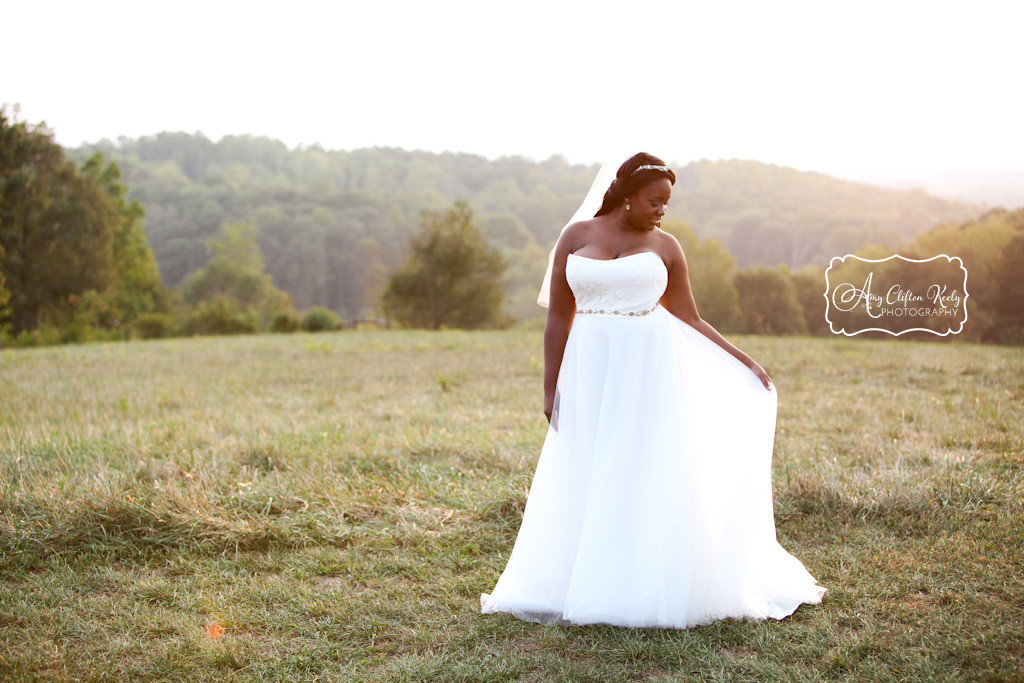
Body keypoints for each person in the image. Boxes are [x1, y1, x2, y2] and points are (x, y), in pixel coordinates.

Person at [480, 152, 825, 628]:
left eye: (667, 202)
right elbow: (559, 316)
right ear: (625, 197)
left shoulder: (667, 247)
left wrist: (742, 360)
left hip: (646, 369)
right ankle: (580, 578)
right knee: (588, 464)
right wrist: (549, 386)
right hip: (589, 368)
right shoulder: (576, 236)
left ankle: (637, 581)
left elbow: (689, 316)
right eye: (654, 201)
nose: (663, 209)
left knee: (638, 464)